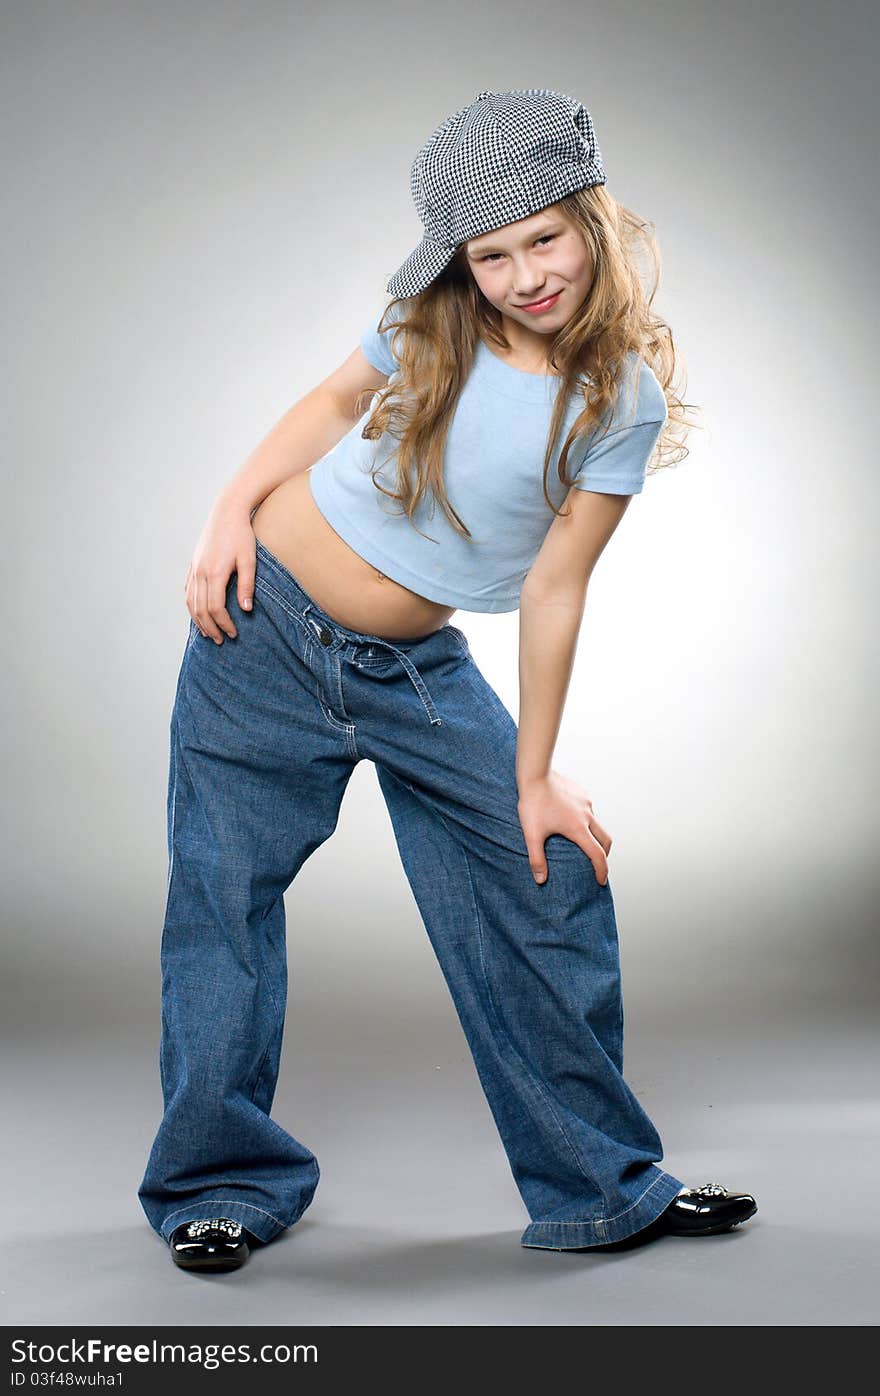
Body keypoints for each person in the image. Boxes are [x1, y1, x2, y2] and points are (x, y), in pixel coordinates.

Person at [138, 87, 757, 1274]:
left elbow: (554, 588)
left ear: (592, 223)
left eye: (544, 236)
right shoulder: (434, 323)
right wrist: (224, 514)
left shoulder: (612, 397)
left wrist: (532, 773)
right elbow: (326, 404)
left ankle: (600, 1182)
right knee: (219, 900)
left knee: (549, 874)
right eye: (491, 254)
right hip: (259, 630)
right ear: (459, 262)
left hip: (411, 668)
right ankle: (218, 1184)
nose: (525, 273)